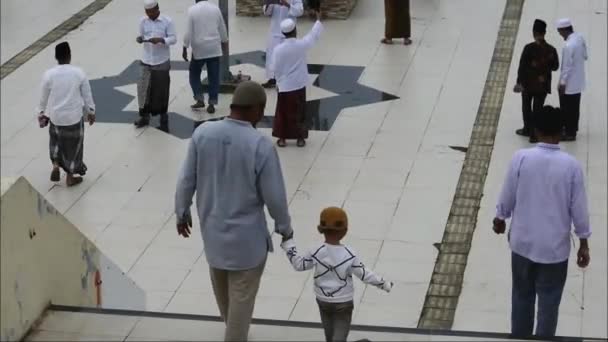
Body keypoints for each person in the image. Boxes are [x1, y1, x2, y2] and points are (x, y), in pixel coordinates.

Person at [174, 81, 293, 342]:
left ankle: (234, 332)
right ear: (256, 109)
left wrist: (181, 212)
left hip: (213, 238)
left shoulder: (203, 134)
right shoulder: (259, 146)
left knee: (227, 302)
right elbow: (275, 197)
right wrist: (285, 228)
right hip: (247, 245)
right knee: (241, 302)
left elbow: (186, 179)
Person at [493, 105, 591, 338]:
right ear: (561, 130)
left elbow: (508, 193)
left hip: (522, 245)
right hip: (554, 251)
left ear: (535, 130)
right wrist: (584, 242)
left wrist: (500, 217)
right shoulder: (571, 167)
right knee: (549, 303)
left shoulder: (521, 158)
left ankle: (520, 337)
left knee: (521, 296)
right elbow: (579, 210)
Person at [280, 207, 393, 342]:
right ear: (344, 231)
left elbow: (299, 265)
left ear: (321, 229)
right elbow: (364, 274)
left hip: (322, 300)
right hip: (343, 303)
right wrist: (384, 284)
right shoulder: (350, 254)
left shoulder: (315, 251)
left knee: (331, 338)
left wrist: (288, 242)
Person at [37, 42, 95, 187]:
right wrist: (91, 111)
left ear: (56, 57)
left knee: (56, 142)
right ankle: (70, 177)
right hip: (74, 117)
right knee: (74, 146)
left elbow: (43, 98)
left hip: (56, 117)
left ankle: (56, 164)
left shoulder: (49, 74)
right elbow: (87, 95)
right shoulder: (78, 73)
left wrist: (41, 113)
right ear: (69, 55)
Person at [270, 13, 323, 148]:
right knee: (299, 112)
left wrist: (278, 82)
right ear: (295, 31)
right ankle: (300, 138)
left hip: (284, 86)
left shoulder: (278, 50)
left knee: (282, 112)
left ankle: (282, 138)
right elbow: (312, 36)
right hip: (299, 84)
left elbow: (275, 68)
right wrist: (318, 21)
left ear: (283, 33)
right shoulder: (301, 45)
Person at [513, 19, 559, 143]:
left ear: (534, 32)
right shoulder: (551, 50)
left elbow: (521, 67)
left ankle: (527, 129)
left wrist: (519, 82)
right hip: (542, 86)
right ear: (544, 33)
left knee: (526, 107)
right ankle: (535, 134)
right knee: (538, 109)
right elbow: (555, 67)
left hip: (528, 85)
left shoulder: (528, 48)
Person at [134, 0, 177, 130]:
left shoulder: (167, 21)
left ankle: (163, 113)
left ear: (157, 9)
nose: (148, 15)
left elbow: (173, 39)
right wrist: (139, 39)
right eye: (146, 12)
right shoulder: (143, 21)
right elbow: (140, 36)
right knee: (142, 88)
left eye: (150, 12)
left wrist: (161, 40)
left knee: (161, 89)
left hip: (161, 60)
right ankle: (144, 116)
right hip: (146, 60)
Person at [182, 0, 228, 114]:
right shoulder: (215, 9)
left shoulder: (192, 10)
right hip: (214, 47)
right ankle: (212, 103)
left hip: (199, 48)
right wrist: (225, 42)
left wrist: (184, 47)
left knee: (194, 73)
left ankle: (199, 98)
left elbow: (188, 32)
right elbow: (222, 28)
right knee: (213, 76)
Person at [556, 18, 588, 141]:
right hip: (578, 82)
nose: (560, 35)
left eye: (560, 32)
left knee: (567, 109)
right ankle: (572, 129)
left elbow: (566, 66)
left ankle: (569, 133)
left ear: (564, 30)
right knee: (575, 108)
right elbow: (585, 55)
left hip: (569, 83)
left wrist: (562, 83)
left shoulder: (569, 46)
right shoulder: (579, 38)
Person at [262, 0, 304, 89]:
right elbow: (267, 12)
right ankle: (272, 79)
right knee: (272, 57)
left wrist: (287, 4)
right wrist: (269, 3)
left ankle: (285, 81)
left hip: (289, 32)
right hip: (275, 30)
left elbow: (300, 11)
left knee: (287, 58)